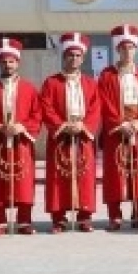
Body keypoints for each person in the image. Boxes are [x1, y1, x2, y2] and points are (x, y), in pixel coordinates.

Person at [0, 37, 42, 236]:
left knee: (23, 181)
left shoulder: (29, 89)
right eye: (4, 61)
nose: (8, 65)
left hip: (21, 141)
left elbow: (37, 114)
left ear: (18, 62)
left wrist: (22, 127)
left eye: (11, 61)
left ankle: (24, 220)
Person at [39, 32, 100, 233]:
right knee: (59, 176)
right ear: (63, 57)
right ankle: (59, 217)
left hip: (83, 135)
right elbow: (46, 107)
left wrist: (84, 126)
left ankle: (84, 216)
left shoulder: (91, 83)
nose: (73, 59)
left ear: (82, 58)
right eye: (70, 55)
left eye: (77, 55)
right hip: (61, 136)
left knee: (85, 175)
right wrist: (62, 125)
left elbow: (95, 107)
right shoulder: (51, 82)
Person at [98, 24, 138, 231]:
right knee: (116, 174)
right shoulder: (106, 75)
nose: (127, 51)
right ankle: (115, 216)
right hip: (117, 131)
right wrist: (120, 123)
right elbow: (103, 102)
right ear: (117, 50)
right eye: (123, 48)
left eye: (130, 48)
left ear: (136, 49)